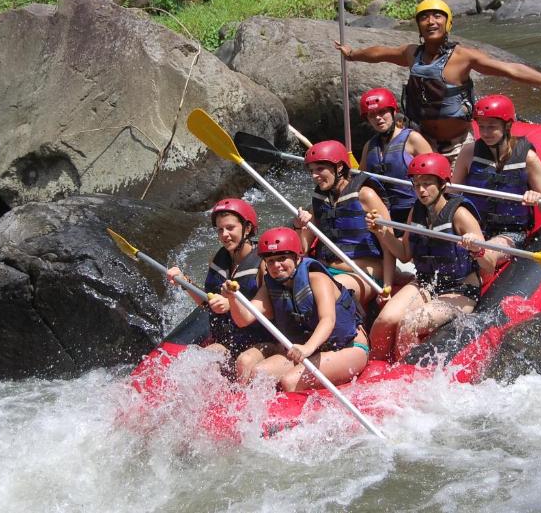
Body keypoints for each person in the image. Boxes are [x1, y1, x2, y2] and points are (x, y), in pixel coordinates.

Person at [335, 0, 541, 164]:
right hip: (421, 141)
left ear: (448, 22)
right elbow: (380, 53)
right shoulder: (412, 54)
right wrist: (353, 54)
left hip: (456, 146)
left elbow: (510, 69)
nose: (431, 21)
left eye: (437, 16)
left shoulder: (464, 57)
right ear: (419, 27)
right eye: (425, 18)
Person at [366, 153, 494, 362]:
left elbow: (489, 265)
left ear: (443, 184)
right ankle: (374, 367)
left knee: (410, 323)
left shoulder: (460, 214)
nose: (421, 190)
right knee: (385, 320)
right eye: (416, 185)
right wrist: (382, 232)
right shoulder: (416, 212)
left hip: (459, 288)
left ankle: (403, 372)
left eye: (427, 184)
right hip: (427, 282)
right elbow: (405, 254)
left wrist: (476, 249)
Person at [225, 226, 370, 391]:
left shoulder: (318, 279)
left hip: (347, 347)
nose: (276, 265)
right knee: (259, 375)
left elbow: (327, 320)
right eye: (270, 261)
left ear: (297, 258)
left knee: (290, 382)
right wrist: (232, 297)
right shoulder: (270, 286)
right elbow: (244, 319)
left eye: (282, 258)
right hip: (306, 350)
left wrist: (308, 347)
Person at [166, 198, 270, 367]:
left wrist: (231, 304)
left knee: (245, 362)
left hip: (260, 342)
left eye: (230, 228)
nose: (224, 235)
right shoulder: (218, 259)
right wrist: (185, 283)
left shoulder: (263, 263)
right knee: (202, 361)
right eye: (220, 230)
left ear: (247, 228)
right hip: (228, 341)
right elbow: (208, 304)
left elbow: (269, 309)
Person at [452, 94, 541, 268]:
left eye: (492, 127)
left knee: (486, 253)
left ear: (508, 125)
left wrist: (537, 198)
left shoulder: (528, 158)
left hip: (511, 233)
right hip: (473, 226)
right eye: (481, 127)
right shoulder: (468, 153)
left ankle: (482, 257)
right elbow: (452, 194)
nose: (485, 133)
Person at [292, 140, 393, 310]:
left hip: (362, 273)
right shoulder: (320, 201)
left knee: (325, 293)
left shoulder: (366, 195)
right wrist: (299, 227)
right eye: (311, 171)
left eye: (320, 169)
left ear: (339, 168)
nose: (314, 176)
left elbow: (389, 245)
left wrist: (387, 286)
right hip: (326, 269)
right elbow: (303, 249)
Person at [358, 87, 433, 225]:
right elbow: (360, 180)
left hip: (412, 212)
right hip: (380, 214)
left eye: (382, 112)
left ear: (393, 111)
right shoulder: (369, 146)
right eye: (372, 115)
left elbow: (436, 176)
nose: (378, 118)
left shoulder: (413, 139)